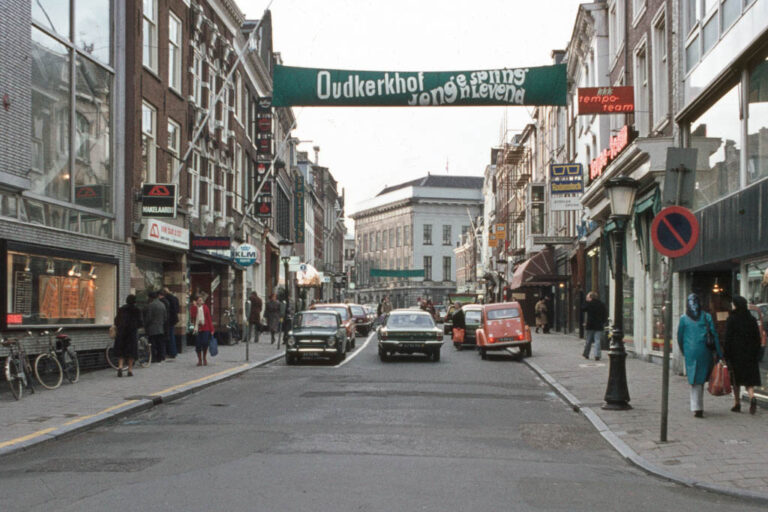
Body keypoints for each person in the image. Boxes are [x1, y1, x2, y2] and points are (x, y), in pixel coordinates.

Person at [677, 293, 723, 418]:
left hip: (690, 352)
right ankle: (698, 405)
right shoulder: (706, 316)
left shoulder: (683, 319)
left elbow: (680, 337)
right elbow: (714, 335)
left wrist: (684, 351)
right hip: (705, 351)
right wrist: (719, 353)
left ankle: (697, 407)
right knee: (701, 378)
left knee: (695, 379)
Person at [723, 295, 762, 414]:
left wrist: (726, 354)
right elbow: (757, 337)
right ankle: (752, 397)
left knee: (736, 380)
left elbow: (727, 338)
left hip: (736, 354)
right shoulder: (751, 319)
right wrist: (757, 352)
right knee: (749, 380)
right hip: (750, 355)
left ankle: (737, 403)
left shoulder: (732, 319)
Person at [113, 295, 143, 377]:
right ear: (135, 301)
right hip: (132, 334)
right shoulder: (137, 310)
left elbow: (116, 321)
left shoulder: (121, 309)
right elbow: (140, 322)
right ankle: (129, 370)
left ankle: (120, 366)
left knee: (121, 351)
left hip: (121, 333)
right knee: (131, 352)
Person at [582, 291, 608, 360]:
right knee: (597, 340)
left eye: (588, 296)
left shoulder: (589, 304)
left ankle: (586, 354)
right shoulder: (601, 304)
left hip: (590, 325)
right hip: (599, 325)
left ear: (590, 297)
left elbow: (583, 309)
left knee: (588, 340)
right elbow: (605, 314)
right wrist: (603, 322)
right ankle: (597, 355)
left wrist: (586, 301)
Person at [190, 295, 213, 366]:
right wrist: (194, 307)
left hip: (205, 328)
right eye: (199, 300)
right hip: (197, 328)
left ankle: (204, 358)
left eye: (201, 300)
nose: (200, 301)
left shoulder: (206, 308)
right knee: (198, 344)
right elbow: (192, 317)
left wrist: (211, 329)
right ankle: (199, 360)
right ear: (196, 301)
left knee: (205, 343)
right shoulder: (194, 308)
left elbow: (209, 318)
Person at [145, 291, 168, 363]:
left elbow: (148, 318)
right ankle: (160, 357)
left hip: (152, 328)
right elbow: (165, 317)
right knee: (160, 343)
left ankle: (153, 357)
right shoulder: (162, 305)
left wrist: (146, 325)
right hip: (161, 328)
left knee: (153, 344)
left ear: (150, 298)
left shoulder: (150, 305)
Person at [161, 288, 180, 358]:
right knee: (172, 335)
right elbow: (178, 310)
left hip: (168, 320)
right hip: (173, 319)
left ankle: (170, 352)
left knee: (168, 336)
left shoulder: (166, 299)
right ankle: (173, 351)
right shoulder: (175, 298)